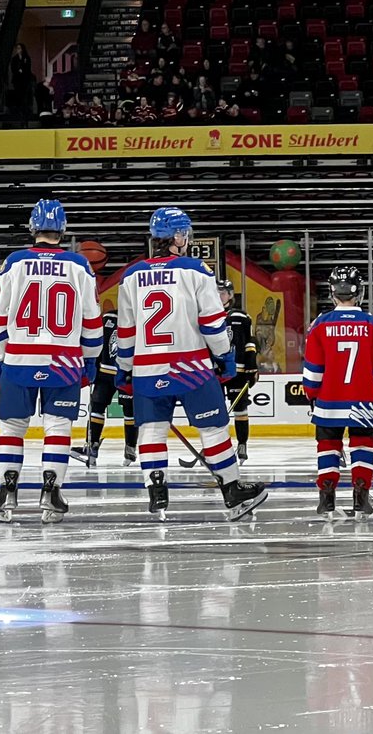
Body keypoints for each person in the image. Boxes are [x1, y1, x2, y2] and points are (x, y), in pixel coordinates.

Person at [117, 207, 268, 521]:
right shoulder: (196, 269)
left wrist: (125, 367)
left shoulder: (131, 275)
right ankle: (231, 489)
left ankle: (156, 489)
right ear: (178, 236)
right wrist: (225, 357)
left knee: (152, 431)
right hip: (192, 367)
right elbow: (213, 323)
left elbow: (126, 330)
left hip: (147, 368)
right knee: (213, 429)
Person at [0, 199, 102, 523]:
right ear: (62, 229)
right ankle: (51, 491)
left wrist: (1, 356)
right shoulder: (79, 265)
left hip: (19, 357)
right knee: (58, 426)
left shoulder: (14, 262)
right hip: (64, 359)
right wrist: (90, 359)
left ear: (33, 227)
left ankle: (7, 490)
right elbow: (92, 320)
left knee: (11, 426)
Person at [301, 267, 373, 517]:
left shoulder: (319, 325)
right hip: (363, 401)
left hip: (328, 401)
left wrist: (313, 395)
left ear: (332, 292)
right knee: (363, 447)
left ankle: (326, 499)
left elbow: (312, 373)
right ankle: (361, 497)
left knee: (327, 446)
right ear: (359, 292)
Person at [70, 302, 138, 468]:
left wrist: (92, 364)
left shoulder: (106, 318)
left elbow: (96, 342)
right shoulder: (136, 320)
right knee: (129, 411)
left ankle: (92, 446)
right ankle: (130, 447)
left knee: (97, 409)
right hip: (126, 372)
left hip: (105, 373)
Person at [216, 278, 259, 463]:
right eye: (216, 293)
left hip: (238, 372)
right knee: (215, 411)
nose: (219, 296)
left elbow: (250, 343)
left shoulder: (241, 317)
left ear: (231, 295)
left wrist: (251, 367)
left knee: (240, 410)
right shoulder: (206, 317)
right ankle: (216, 446)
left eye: (223, 293)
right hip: (215, 372)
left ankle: (242, 444)